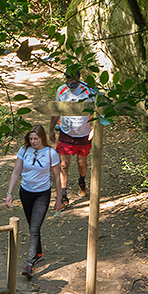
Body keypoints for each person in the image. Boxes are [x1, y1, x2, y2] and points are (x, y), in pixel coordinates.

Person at [4, 125, 63, 278]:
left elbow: (57, 177)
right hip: (25, 193)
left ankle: (29, 264)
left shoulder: (51, 153)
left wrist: (59, 198)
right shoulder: (24, 150)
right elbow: (16, 171)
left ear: (42, 138)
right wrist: (9, 193)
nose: (33, 141)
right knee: (32, 226)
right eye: (31, 139)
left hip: (42, 195)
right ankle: (39, 253)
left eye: (36, 138)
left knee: (34, 228)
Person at [49, 68, 95, 207]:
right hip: (66, 131)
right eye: (68, 79)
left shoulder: (88, 90)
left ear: (79, 77)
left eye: (73, 79)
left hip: (83, 132)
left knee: (82, 163)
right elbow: (56, 110)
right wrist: (51, 129)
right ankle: (63, 194)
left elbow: (97, 109)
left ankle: (81, 181)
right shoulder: (61, 91)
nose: (70, 82)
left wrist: (94, 129)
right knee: (64, 165)